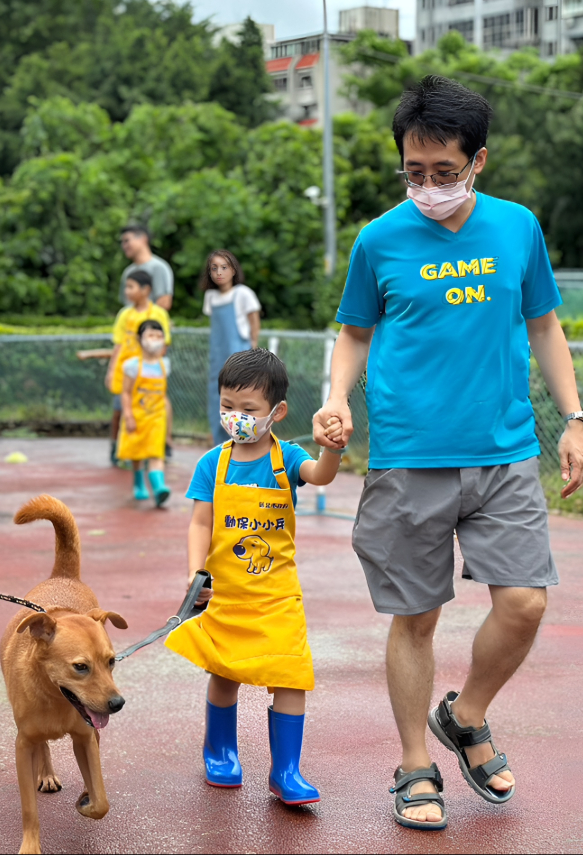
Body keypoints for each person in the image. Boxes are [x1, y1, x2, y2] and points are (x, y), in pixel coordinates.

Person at [311, 75, 583, 832]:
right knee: (417, 617)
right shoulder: (379, 240)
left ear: (479, 162)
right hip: (408, 454)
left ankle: (465, 715)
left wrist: (575, 416)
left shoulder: (517, 228)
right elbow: (355, 332)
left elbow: (544, 326)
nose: (427, 186)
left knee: (525, 600)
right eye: (413, 172)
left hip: (503, 450)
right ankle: (413, 764)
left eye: (443, 172)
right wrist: (336, 396)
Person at [166, 347, 343, 804]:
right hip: (227, 593)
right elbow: (200, 523)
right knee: (225, 672)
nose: (235, 417)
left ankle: (286, 770)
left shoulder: (288, 458)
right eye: (227, 406)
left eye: (248, 410)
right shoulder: (213, 463)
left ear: (277, 412)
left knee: (290, 676)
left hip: (278, 595)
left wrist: (332, 450)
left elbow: (320, 476)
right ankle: (220, 751)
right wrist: (194, 572)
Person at [104, 270, 172, 464]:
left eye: (131, 287)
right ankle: (116, 445)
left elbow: (164, 343)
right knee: (120, 409)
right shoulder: (125, 314)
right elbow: (118, 345)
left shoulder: (159, 314)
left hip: (150, 372)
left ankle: (162, 443)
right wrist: (111, 371)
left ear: (146, 290)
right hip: (127, 371)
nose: (127, 291)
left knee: (158, 406)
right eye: (126, 286)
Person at [200, 249, 261, 445]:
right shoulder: (210, 297)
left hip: (239, 356)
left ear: (233, 270)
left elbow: (254, 323)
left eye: (224, 267)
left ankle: (242, 445)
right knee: (217, 400)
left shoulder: (243, 293)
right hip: (217, 359)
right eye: (214, 268)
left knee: (240, 401)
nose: (219, 272)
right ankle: (221, 446)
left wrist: (252, 350)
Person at [116, 319, 172, 506]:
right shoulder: (131, 366)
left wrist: (169, 428)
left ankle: (159, 488)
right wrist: (129, 415)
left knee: (156, 453)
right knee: (137, 454)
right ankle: (139, 482)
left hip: (157, 417)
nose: (155, 339)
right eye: (150, 335)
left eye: (159, 335)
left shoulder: (165, 365)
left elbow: (164, 395)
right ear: (140, 339)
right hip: (138, 415)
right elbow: (125, 392)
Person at [118, 224, 174, 311]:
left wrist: (145, 320)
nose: (124, 245)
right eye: (122, 242)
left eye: (127, 241)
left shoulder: (158, 267)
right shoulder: (128, 271)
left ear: (143, 238)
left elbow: (164, 303)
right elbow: (127, 304)